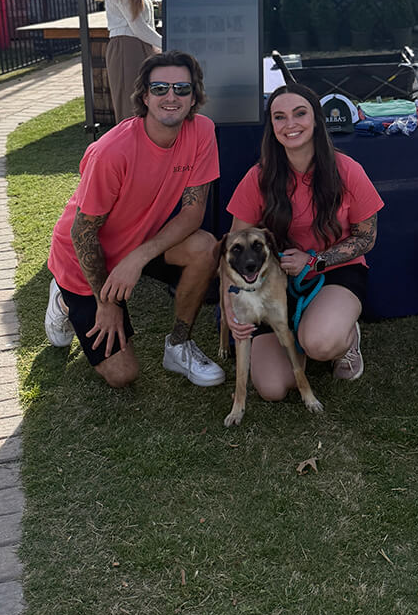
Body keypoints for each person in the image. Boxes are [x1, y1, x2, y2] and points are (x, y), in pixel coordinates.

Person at [45, 50, 224, 390]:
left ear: (194, 96)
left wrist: (138, 257)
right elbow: (82, 231)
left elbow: (193, 212)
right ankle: (65, 298)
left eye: (182, 89)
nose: (171, 97)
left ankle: (179, 345)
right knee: (123, 374)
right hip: (85, 258)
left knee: (205, 247)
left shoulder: (202, 131)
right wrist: (106, 302)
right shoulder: (111, 152)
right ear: (145, 95)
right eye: (160, 88)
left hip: (139, 244)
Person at [224, 83, 383, 401]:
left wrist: (314, 261)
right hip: (274, 282)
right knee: (272, 389)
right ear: (272, 127)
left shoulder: (348, 171)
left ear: (317, 120)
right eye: (279, 117)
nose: (291, 124)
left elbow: (366, 238)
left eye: (300, 113)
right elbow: (233, 249)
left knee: (321, 344)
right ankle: (301, 333)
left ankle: (344, 339)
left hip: (335, 272)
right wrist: (231, 306)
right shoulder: (258, 177)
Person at [98, 0, 164, 123]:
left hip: (141, 45)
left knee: (145, 106)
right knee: (131, 107)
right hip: (126, 47)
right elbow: (138, 26)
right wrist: (166, 43)